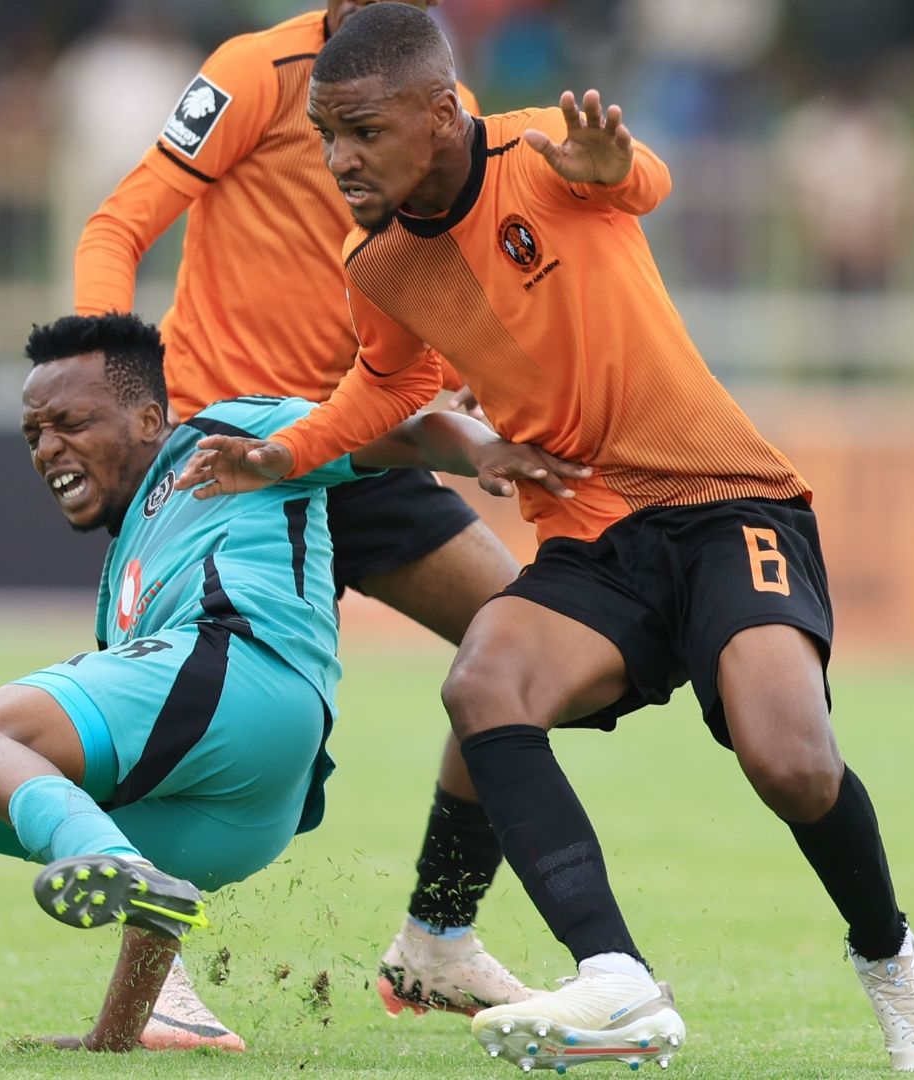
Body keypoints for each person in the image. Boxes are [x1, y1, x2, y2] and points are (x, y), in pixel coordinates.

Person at [173, 5, 914, 1073]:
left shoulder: (539, 146)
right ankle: (616, 978)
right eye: (326, 134)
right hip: (592, 540)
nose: (337, 158)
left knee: (791, 763)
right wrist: (288, 451)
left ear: (442, 114)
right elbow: (392, 384)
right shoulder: (376, 261)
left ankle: (893, 965)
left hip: (724, 503)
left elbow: (637, 182)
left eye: (362, 131)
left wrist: (614, 160)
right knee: (485, 679)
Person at [0, 312, 587, 1054]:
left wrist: (479, 451)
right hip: (231, 823)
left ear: (150, 419)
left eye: (70, 422)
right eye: (32, 431)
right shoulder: (121, 585)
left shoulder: (231, 432)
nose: (47, 447)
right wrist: (113, 1036)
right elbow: (152, 884)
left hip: (245, 673)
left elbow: (397, 433)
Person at [74, 0, 538, 1043]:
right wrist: (112, 384)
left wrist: (470, 377)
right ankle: (160, 985)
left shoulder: (441, 106)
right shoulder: (253, 69)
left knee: (524, 639)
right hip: (231, 455)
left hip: (354, 439)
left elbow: (441, 285)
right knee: (184, 707)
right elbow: (119, 224)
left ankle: (439, 938)